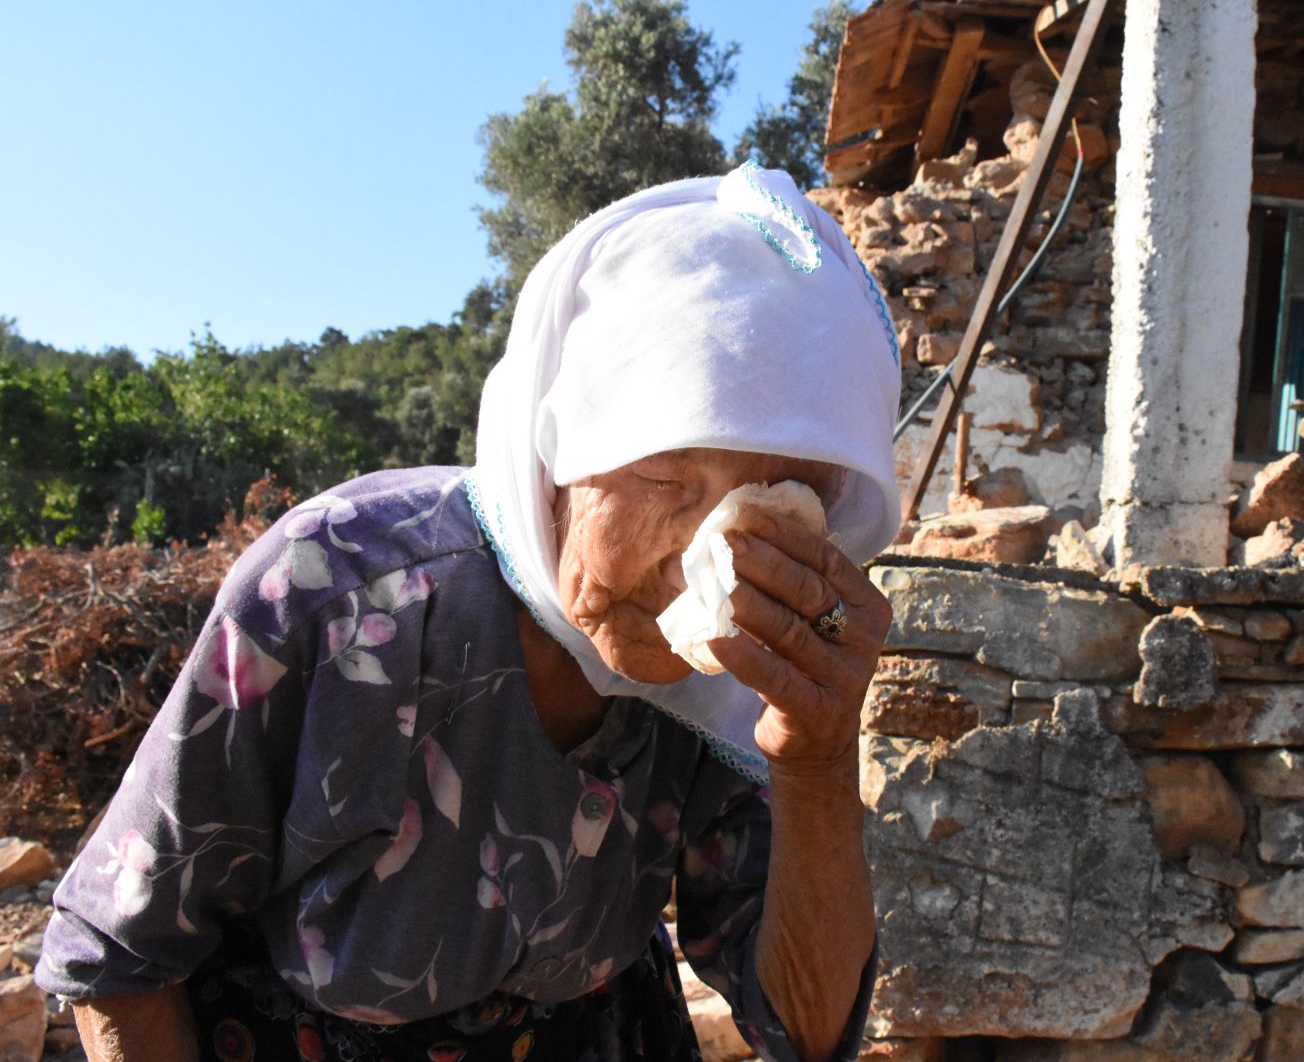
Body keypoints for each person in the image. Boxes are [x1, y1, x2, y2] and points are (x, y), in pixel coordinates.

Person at [36, 162, 905, 1062]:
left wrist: (816, 761)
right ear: (559, 449)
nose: (708, 559)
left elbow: (803, 1031)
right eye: (662, 477)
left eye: (779, 504)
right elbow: (120, 957)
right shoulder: (338, 595)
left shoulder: (739, 679)